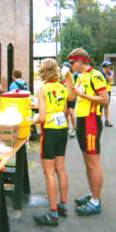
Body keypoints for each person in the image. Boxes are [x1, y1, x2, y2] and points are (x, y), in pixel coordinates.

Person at [66, 48, 108, 216]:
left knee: (93, 162)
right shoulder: (80, 76)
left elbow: (104, 99)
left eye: (72, 62)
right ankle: (93, 194)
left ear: (81, 60)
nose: (70, 65)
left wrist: (82, 95)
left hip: (91, 120)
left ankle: (96, 201)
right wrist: (69, 84)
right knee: (87, 160)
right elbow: (71, 98)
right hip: (82, 121)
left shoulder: (95, 75)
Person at [33, 59, 70, 226]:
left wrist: (31, 120)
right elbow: (64, 111)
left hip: (49, 131)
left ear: (43, 72)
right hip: (62, 129)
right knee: (60, 169)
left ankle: (53, 214)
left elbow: (41, 117)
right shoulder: (62, 88)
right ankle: (63, 205)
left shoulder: (42, 89)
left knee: (49, 173)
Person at [61, 62, 77, 137]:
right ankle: (66, 128)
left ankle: (74, 128)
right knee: (66, 112)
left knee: (71, 111)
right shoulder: (61, 76)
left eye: (66, 68)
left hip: (71, 96)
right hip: (64, 96)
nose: (64, 69)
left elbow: (74, 86)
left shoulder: (72, 75)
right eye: (63, 68)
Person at [100, 60, 113, 127]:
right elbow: (107, 80)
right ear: (104, 67)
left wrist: (109, 76)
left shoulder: (109, 73)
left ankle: (107, 121)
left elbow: (110, 81)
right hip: (102, 92)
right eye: (108, 67)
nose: (109, 68)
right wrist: (108, 77)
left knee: (106, 106)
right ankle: (100, 122)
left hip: (108, 91)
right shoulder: (101, 74)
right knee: (100, 107)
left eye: (110, 67)